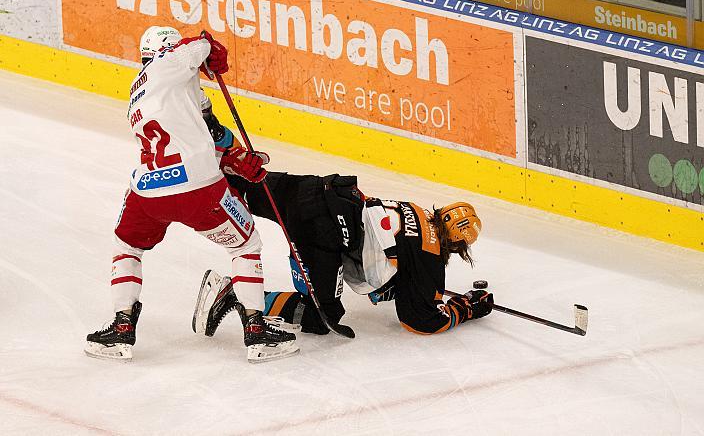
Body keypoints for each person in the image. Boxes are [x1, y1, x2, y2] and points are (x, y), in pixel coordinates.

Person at [85, 26, 298, 363]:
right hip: (199, 186)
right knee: (246, 245)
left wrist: (237, 157)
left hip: (148, 191)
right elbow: (191, 49)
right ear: (166, 50)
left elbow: (213, 134)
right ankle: (257, 331)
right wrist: (209, 45)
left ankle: (121, 328)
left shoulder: (139, 91)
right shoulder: (167, 65)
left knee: (127, 246)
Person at [192, 171, 494, 338]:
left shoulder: (413, 208)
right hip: (318, 237)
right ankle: (233, 294)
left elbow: (393, 249)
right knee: (323, 317)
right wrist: (468, 307)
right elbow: (422, 321)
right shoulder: (429, 257)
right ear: (458, 246)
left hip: (313, 190)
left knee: (247, 182)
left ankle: (196, 166)